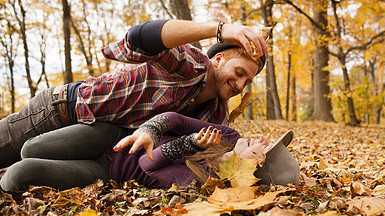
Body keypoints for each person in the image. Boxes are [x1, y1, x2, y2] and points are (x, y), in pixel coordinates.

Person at [0, 19, 268, 169]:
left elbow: (200, 158)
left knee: (17, 174)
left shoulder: (216, 113)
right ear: (219, 59)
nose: (241, 83)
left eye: (249, 80)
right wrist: (221, 30)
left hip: (95, 146)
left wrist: (252, 155)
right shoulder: (192, 64)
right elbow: (138, 38)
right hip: (63, 110)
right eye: (240, 72)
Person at [0, 112, 300, 192]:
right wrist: (152, 131)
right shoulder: (229, 135)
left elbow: (146, 165)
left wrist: (190, 145)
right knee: (30, 147)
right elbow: (175, 119)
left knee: (16, 176)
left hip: (106, 171)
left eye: (266, 147)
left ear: (255, 168)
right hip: (112, 137)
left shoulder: (206, 181)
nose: (262, 138)